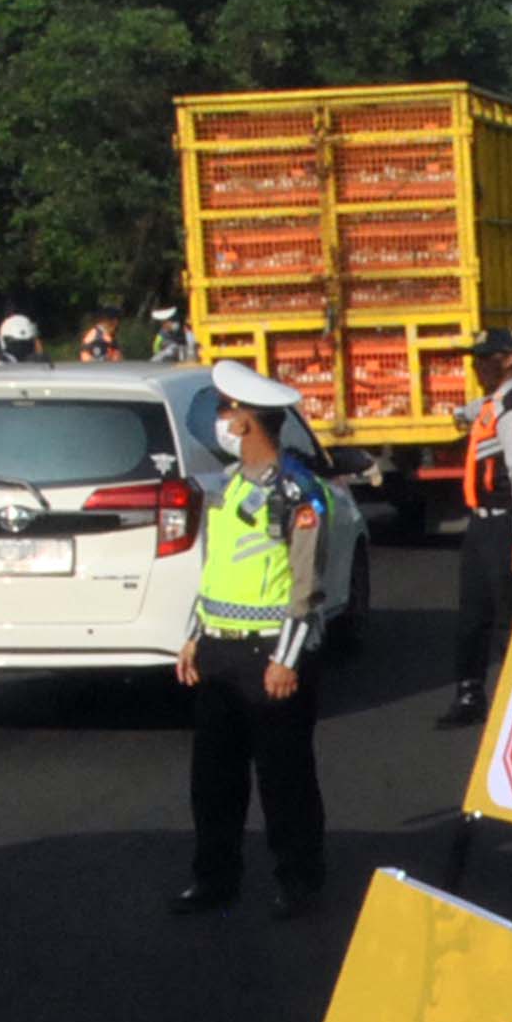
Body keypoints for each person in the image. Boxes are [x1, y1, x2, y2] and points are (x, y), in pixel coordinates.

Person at [172, 361, 336, 921]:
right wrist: (194, 636)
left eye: (226, 410)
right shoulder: (229, 487)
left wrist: (287, 659)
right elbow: (217, 571)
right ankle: (214, 879)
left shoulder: (297, 492)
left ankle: (299, 883)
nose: (218, 419)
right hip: (220, 648)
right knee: (212, 780)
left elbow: (306, 584)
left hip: (272, 652)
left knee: (284, 778)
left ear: (245, 423)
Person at [442, 328, 512, 729]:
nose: (476, 365)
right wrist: (457, 414)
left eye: (484, 358)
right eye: (474, 358)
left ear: (508, 360)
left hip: (505, 525)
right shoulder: (495, 403)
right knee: (472, 614)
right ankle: (469, 694)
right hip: (481, 525)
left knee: (507, 616)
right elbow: (473, 410)